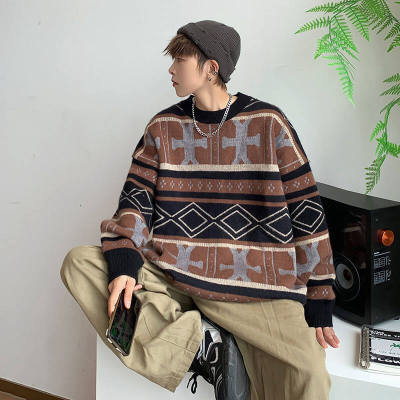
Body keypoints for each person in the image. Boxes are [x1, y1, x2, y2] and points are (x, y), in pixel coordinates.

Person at [60, 20, 341, 400]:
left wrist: (320, 293)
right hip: (174, 275)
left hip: (256, 289)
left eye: (179, 59)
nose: (171, 69)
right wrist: (125, 263)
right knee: (81, 263)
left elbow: (306, 209)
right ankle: (202, 345)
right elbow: (135, 201)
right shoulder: (163, 127)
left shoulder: (269, 123)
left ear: (211, 68)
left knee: (309, 378)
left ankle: (204, 341)